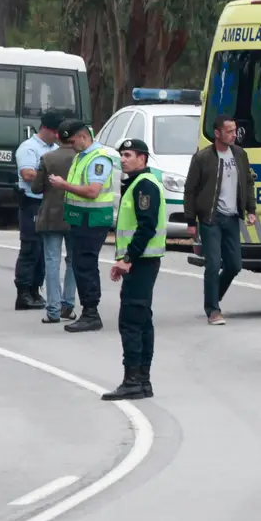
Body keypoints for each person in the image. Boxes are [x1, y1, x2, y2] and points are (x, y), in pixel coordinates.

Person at [103, 137, 165, 400]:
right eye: (122, 155)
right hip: (141, 261)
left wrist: (127, 259)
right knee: (141, 320)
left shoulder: (144, 186)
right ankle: (142, 381)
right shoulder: (138, 184)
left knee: (131, 321)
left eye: (128, 154)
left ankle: (133, 381)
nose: (123, 159)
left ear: (143, 158)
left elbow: (146, 227)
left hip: (141, 262)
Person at [184, 116, 257, 324]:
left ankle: (214, 297)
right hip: (210, 218)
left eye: (235, 130)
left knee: (234, 265)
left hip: (232, 217)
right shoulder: (202, 158)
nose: (234, 135)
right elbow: (190, 190)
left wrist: (251, 209)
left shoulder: (240, 155)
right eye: (229, 131)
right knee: (214, 263)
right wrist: (191, 221)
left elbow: (248, 182)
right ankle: (213, 310)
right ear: (217, 133)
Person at [49, 119, 118, 333]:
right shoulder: (81, 156)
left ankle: (91, 313)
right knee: (79, 264)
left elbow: (92, 191)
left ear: (83, 136)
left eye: (71, 141)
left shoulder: (99, 159)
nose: (70, 146)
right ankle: (88, 311)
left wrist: (63, 184)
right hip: (80, 218)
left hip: (93, 219)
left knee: (85, 265)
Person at [13, 112, 61, 310]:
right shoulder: (29, 148)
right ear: (47, 129)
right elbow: (27, 174)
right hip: (32, 202)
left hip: (50, 203)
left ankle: (35, 289)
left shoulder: (56, 148)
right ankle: (23, 292)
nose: (59, 136)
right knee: (31, 247)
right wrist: (50, 176)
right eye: (56, 132)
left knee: (44, 250)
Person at [37, 123, 81, 324]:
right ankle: (68, 305)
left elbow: (37, 187)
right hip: (75, 214)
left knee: (52, 262)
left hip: (51, 215)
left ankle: (52, 310)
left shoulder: (47, 158)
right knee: (73, 262)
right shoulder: (81, 159)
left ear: (58, 137)